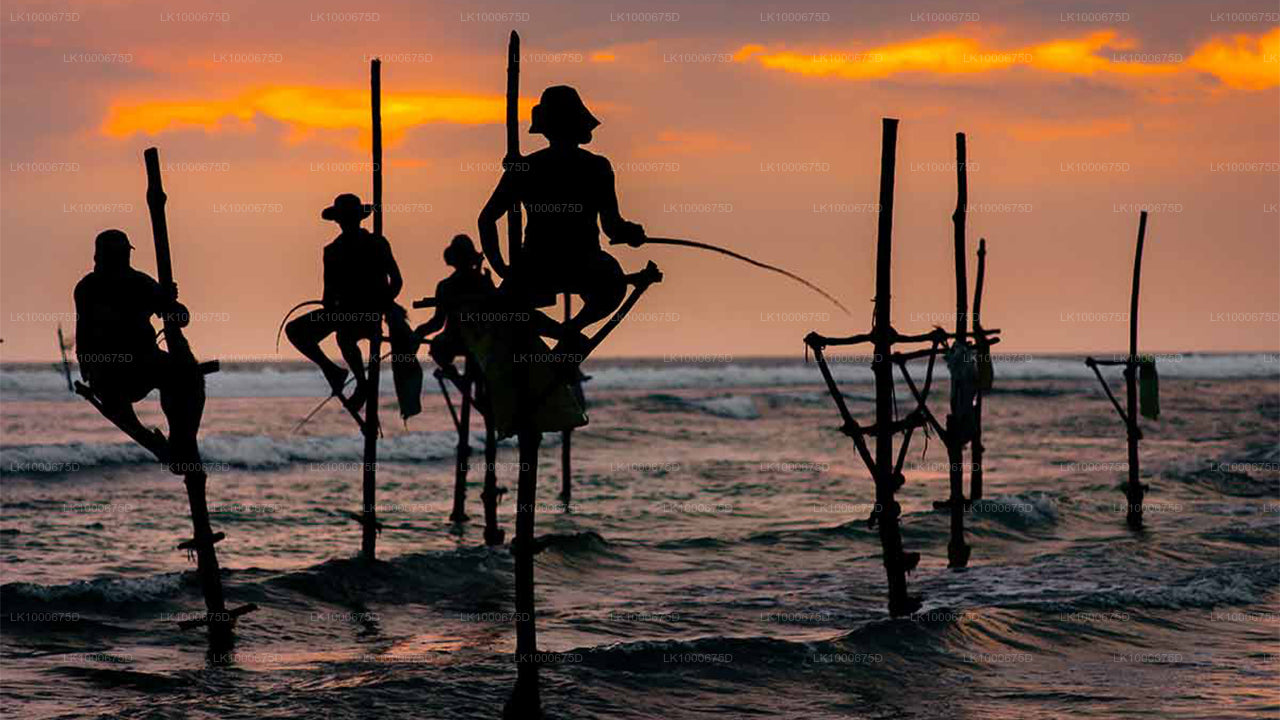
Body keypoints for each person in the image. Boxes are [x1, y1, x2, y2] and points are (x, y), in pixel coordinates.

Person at [478, 85, 649, 354]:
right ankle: (570, 332)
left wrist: (503, 269)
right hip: (575, 263)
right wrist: (630, 234)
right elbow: (613, 228)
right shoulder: (596, 167)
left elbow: (486, 220)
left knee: (500, 310)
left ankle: (566, 333)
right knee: (611, 284)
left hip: (545, 264)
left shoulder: (526, 167)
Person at [74, 229, 203, 470]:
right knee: (182, 378)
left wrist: (168, 300)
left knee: (186, 378)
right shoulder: (118, 285)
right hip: (117, 372)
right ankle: (174, 442)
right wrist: (165, 300)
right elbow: (86, 330)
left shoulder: (100, 286)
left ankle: (178, 440)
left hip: (133, 368)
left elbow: (180, 317)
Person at [286, 193, 405, 412]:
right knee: (294, 330)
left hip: (367, 315)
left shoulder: (376, 243)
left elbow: (396, 282)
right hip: (342, 314)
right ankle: (332, 370)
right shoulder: (332, 251)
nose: (346, 222)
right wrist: (332, 306)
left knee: (344, 335)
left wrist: (381, 306)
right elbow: (328, 295)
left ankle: (361, 384)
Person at [415, 234, 496, 374]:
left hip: (481, 340)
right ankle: (458, 379)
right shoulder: (447, 286)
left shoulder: (481, 282)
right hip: (455, 339)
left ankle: (467, 385)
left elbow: (494, 312)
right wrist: (419, 332)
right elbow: (438, 322)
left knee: (478, 353)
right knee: (438, 347)